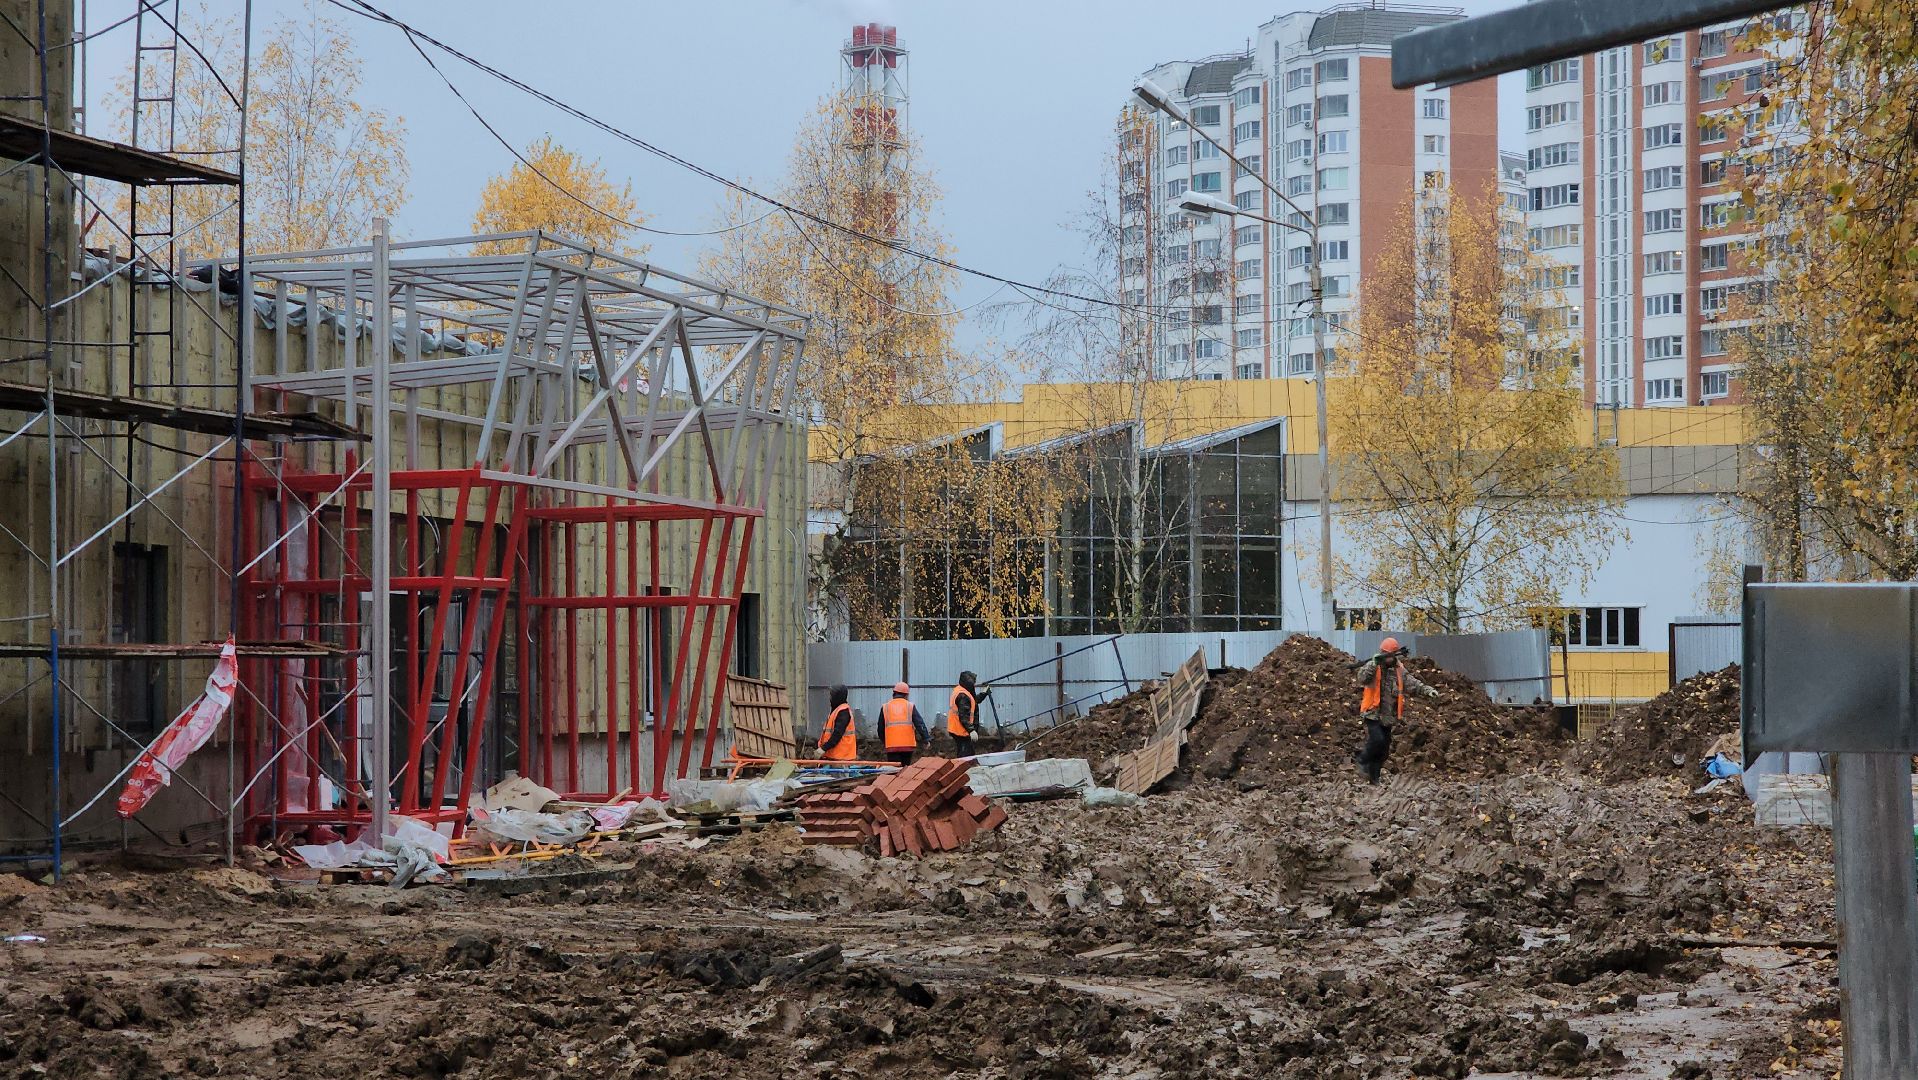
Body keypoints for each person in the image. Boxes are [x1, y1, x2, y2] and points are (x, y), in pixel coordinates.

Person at [1353, 637, 1438, 784]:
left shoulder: (1399, 670)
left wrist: (1427, 690)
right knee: (1377, 739)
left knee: (1383, 750)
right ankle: (1362, 760)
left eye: (1390, 655)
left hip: (1388, 716)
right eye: (1385, 654)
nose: (1387, 658)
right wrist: (1373, 664)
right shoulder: (1373, 666)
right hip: (1372, 712)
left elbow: (1413, 683)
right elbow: (1362, 677)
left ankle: (1374, 777)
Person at [880, 681, 928, 766]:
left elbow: (880, 728)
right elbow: (919, 724)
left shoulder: (885, 707)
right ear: (906, 695)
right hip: (907, 746)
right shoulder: (910, 706)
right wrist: (926, 738)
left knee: (894, 770)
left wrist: (885, 741)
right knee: (905, 770)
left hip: (892, 746)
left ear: (893, 693)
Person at [947, 671, 991, 757]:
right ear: (969, 683)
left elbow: (974, 701)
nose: (974, 685)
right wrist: (971, 730)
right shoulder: (963, 695)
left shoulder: (961, 690)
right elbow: (963, 715)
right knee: (966, 756)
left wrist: (983, 693)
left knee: (966, 753)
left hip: (957, 728)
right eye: (973, 683)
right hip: (961, 730)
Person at [817, 684, 858, 762]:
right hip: (835, 756)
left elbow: (837, 734)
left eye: (832, 696)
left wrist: (823, 748)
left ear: (837, 696)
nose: (830, 698)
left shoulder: (843, 712)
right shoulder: (837, 710)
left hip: (841, 758)